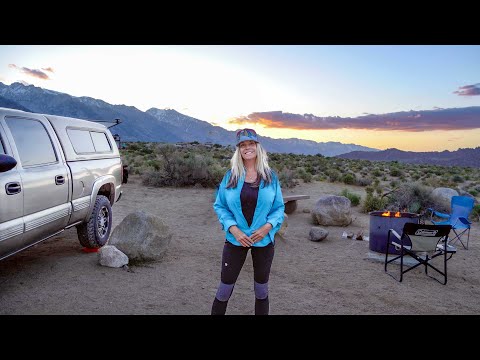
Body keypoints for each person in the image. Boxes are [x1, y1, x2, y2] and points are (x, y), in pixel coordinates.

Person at [211, 128, 285, 315]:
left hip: (264, 240)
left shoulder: (270, 177)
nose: (247, 148)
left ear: (257, 147)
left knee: (261, 291)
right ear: (239, 150)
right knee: (224, 290)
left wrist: (267, 228)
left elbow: (278, 207)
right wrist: (233, 229)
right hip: (236, 239)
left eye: (251, 143)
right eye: (243, 145)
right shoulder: (231, 176)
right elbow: (220, 205)